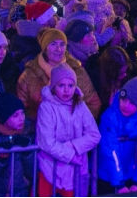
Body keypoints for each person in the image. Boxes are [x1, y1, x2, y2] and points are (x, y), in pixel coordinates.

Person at [36, 63, 101, 197]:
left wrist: (73, 145)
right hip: (50, 168)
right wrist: (71, 156)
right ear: (54, 87)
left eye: (70, 86)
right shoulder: (46, 107)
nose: (67, 90)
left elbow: (94, 135)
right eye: (61, 85)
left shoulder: (80, 105)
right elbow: (47, 142)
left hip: (76, 170)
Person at [97, 76, 137, 192]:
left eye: (131, 102)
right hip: (107, 174)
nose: (125, 105)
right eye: (123, 100)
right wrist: (119, 184)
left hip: (128, 172)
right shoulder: (110, 117)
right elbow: (110, 149)